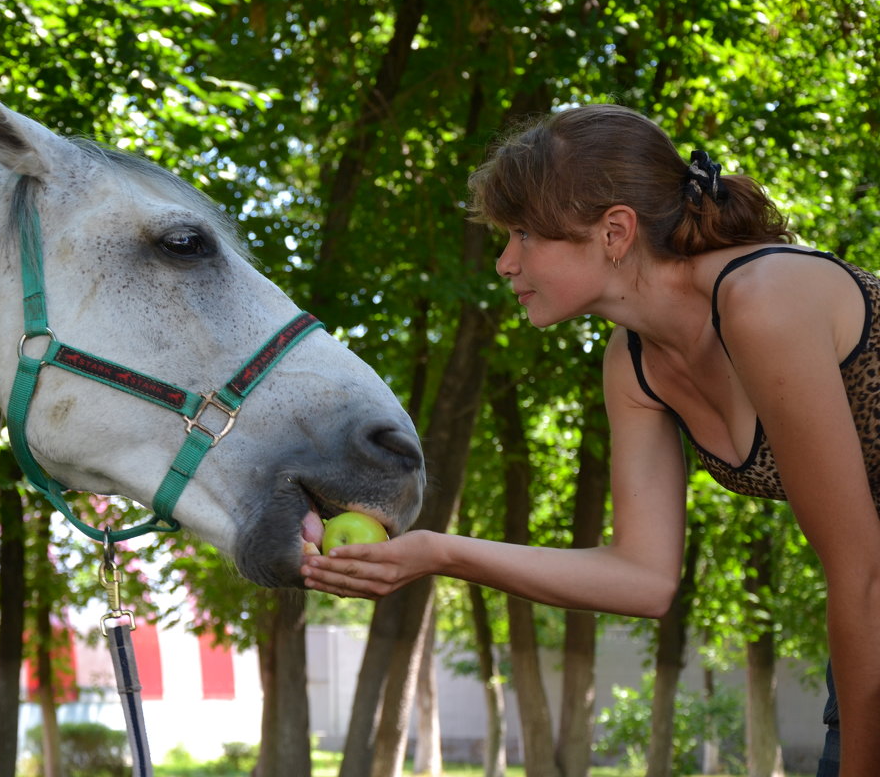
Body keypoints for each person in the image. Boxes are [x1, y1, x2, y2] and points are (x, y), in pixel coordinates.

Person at [300, 104, 880, 776]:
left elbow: (860, 572)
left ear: (614, 231)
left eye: (523, 234)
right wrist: (434, 553)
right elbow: (645, 578)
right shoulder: (633, 362)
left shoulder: (762, 298)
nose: (504, 263)